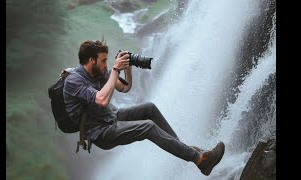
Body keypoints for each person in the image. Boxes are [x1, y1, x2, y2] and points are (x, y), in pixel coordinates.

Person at [63, 40, 225, 176]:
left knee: (149, 108)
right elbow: (101, 100)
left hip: (111, 117)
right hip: (100, 132)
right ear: (91, 60)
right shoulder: (73, 81)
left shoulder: (100, 72)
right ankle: (199, 160)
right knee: (148, 127)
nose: (106, 64)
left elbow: (125, 88)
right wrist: (115, 69)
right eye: (103, 61)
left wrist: (127, 68)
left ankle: (186, 150)